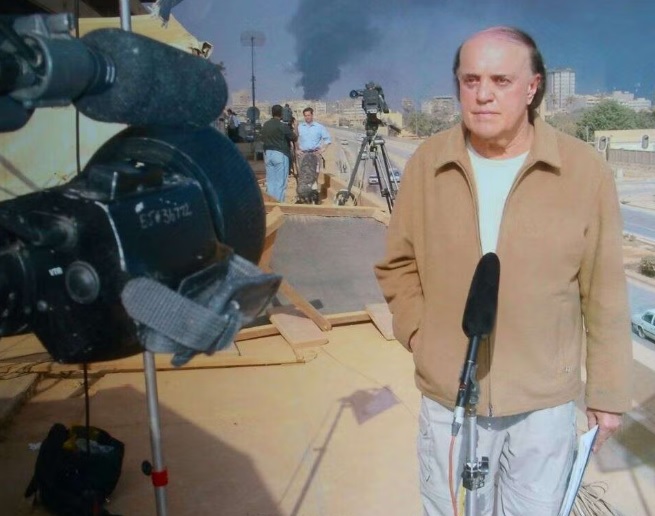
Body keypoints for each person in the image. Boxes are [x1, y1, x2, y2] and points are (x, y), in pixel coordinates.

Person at [374, 26, 632, 515]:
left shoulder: (582, 170)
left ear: (533, 87)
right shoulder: (429, 164)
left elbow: (605, 291)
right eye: (470, 80)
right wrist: (420, 337)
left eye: (501, 80)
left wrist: (607, 393)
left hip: (543, 405)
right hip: (450, 396)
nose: (483, 94)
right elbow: (398, 264)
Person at [260, 104, 297, 202]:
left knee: (271, 182)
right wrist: (294, 127)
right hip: (280, 154)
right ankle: (278, 204)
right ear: (281, 114)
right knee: (280, 183)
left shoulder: (266, 125)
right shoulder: (282, 126)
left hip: (268, 154)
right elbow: (294, 137)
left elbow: (262, 138)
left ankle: (271, 203)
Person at [295, 107, 331, 203]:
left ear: (312, 115)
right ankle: (302, 197)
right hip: (303, 155)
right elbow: (294, 140)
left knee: (314, 175)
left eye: (309, 115)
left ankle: (314, 197)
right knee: (303, 176)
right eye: (305, 115)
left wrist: (323, 149)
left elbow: (327, 139)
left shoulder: (319, 127)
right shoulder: (299, 127)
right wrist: (296, 150)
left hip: (315, 155)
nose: (307, 117)